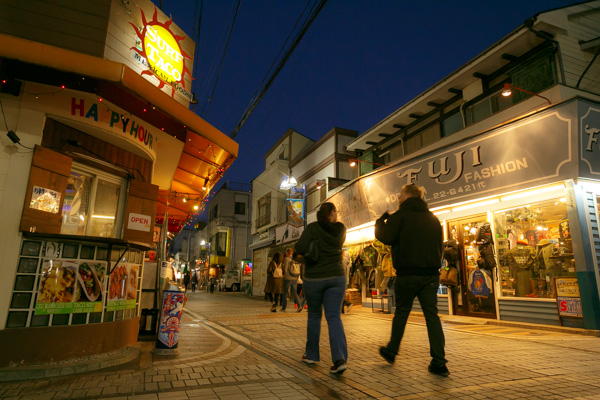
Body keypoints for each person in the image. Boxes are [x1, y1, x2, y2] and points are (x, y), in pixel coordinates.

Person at [375, 183, 448, 377]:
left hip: (407, 274)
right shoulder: (433, 219)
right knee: (432, 316)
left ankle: (391, 351)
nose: (398, 198)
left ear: (407, 196)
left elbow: (386, 237)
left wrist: (379, 222)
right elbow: (440, 247)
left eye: (400, 195)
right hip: (430, 276)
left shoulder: (400, 217)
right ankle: (439, 362)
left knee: (402, 313)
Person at [295, 202, 348, 374]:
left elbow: (299, 248)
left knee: (315, 315)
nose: (337, 215)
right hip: (336, 276)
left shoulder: (312, 229)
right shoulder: (340, 229)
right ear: (332, 213)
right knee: (334, 318)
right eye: (336, 212)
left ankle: (311, 355)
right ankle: (339, 359)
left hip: (314, 278)